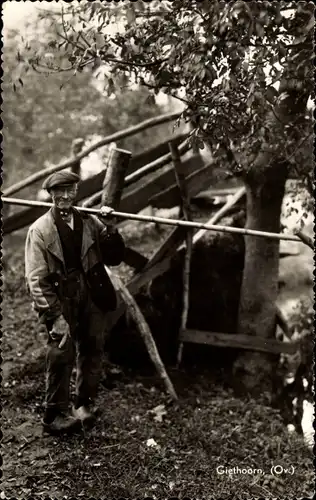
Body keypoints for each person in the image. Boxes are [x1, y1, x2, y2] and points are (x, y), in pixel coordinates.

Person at [25, 171, 125, 435]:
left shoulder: (89, 221)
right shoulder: (40, 230)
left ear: (76, 192)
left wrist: (111, 227)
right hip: (61, 298)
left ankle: (85, 404)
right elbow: (36, 280)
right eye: (60, 192)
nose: (65, 197)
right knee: (61, 352)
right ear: (51, 194)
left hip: (90, 292)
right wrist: (55, 316)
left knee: (92, 346)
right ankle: (55, 415)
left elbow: (114, 257)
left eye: (70, 191)